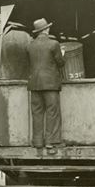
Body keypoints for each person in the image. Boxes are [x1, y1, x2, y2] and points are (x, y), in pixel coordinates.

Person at [27, 18, 66, 153]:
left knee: (37, 112)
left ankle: (37, 142)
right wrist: (63, 54)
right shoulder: (54, 44)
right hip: (50, 84)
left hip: (34, 84)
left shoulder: (30, 45)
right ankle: (51, 142)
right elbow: (60, 63)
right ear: (46, 30)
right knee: (52, 112)